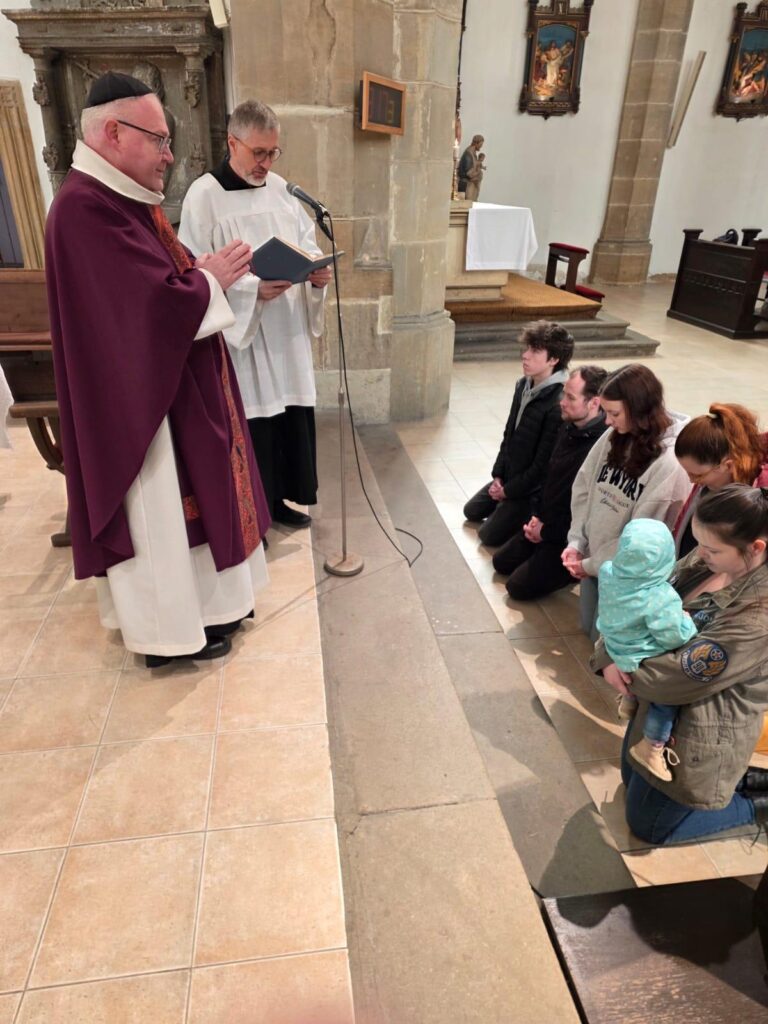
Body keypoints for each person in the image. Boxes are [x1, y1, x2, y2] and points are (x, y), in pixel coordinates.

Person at [45, 71, 270, 668]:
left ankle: (207, 609)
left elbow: (157, 279)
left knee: (188, 505)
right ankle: (166, 637)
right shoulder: (83, 208)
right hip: (135, 410)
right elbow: (140, 312)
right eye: (159, 140)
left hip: (166, 386)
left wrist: (199, 273)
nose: (169, 155)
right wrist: (207, 281)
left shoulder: (119, 197)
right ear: (114, 133)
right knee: (157, 515)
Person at [180, 99, 330, 530]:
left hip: (286, 332)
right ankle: (251, 518)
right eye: (258, 153)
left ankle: (279, 503)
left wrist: (316, 274)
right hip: (241, 338)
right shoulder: (204, 197)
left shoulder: (282, 191)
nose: (266, 163)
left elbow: (306, 244)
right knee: (251, 426)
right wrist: (251, 291)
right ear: (233, 143)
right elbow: (194, 272)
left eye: (273, 152)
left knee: (286, 420)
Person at [594, 485, 768, 845]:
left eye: (712, 549)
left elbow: (677, 678)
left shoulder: (757, 615)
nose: (700, 553)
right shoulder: (709, 559)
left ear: (755, 548)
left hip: (703, 721)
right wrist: (607, 655)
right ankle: (747, 778)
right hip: (657, 702)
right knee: (631, 779)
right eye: (698, 542)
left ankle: (755, 806)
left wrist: (617, 657)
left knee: (649, 826)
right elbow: (635, 599)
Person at [563, 364, 691, 639]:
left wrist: (589, 564)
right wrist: (576, 542)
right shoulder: (616, 434)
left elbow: (638, 540)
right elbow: (584, 485)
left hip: (625, 573)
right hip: (593, 558)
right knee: (587, 629)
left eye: (614, 413)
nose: (607, 421)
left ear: (639, 409)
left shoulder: (669, 463)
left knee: (603, 640)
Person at [492, 364, 608, 597]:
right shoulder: (566, 427)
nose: (562, 402)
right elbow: (546, 476)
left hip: (566, 535)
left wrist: (548, 532)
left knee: (517, 587)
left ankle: (566, 572)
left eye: (570, 397)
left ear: (594, 403)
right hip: (546, 521)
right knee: (501, 562)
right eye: (564, 394)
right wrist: (536, 516)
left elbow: (585, 510)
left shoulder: (600, 446)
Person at [596, 518, 697, 781]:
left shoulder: (608, 571)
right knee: (665, 703)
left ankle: (629, 698)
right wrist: (688, 623)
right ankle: (652, 746)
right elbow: (673, 636)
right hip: (640, 653)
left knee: (632, 678)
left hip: (614, 644)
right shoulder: (659, 596)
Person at [463, 321, 573, 550]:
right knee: (471, 511)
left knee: (488, 535)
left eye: (535, 351)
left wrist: (509, 491)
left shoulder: (557, 403)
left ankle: (519, 511)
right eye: (527, 348)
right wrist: (498, 476)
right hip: (512, 476)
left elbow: (542, 466)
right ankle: (505, 505)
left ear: (553, 359)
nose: (525, 355)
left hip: (530, 489)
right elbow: (509, 435)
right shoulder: (523, 385)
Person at [673, 403, 768, 557]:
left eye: (697, 475)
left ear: (727, 465)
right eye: (687, 472)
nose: (691, 481)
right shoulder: (708, 483)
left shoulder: (760, 500)